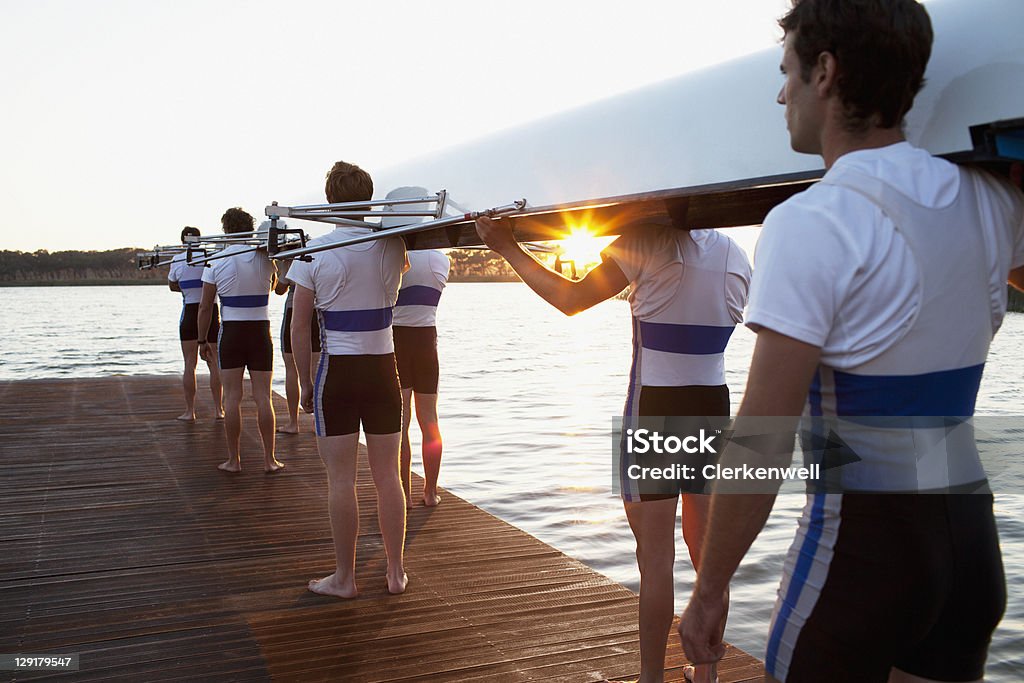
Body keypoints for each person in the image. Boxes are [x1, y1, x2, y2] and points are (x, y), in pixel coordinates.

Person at [677, 2, 1024, 682]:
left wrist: (712, 583)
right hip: (970, 549)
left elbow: (763, 435)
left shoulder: (813, 220)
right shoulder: (993, 202)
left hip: (865, 554)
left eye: (788, 73)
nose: (782, 93)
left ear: (826, 73)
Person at [475, 215, 750, 683]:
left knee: (656, 559)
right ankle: (706, 675)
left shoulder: (645, 237)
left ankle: (650, 677)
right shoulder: (737, 254)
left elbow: (571, 298)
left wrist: (507, 247)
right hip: (713, 406)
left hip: (655, 405)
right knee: (708, 555)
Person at [288, 161, 409, 597]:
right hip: (383, 370)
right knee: (388, 476)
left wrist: (304, 382)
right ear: (368, 197)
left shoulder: (313, 251)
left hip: (337, 373)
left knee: (341, 479)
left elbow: (300, 327)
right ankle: (395, 573)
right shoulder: (392, 246)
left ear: (328, 201)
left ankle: (345, 579)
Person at [197, 207, 283, 474]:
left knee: (232, 398)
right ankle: (270, 460)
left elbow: (204, 307)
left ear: (225, 230)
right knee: (263, 397)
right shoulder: (265, 258)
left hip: (232, 332)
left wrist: (202, 340)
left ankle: (234, 460)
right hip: (260, 331)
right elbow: (279, 288)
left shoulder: (216, 260)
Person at [385, 186, 451, 508]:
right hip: (428, 341)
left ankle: (406, 494)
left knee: (401, 424)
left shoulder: (393, 255)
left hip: (397, 340)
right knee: (430, 420)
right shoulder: (441, 259)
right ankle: (430, 492)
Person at [167, 226, 223, 422]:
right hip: (211, 312)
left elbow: (172, 285)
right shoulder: (210, 258)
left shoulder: (177, 260)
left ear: (183, 241)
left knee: (190, 364)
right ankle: (218, 410)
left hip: (190, 313)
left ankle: (190, 411)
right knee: (214, 363)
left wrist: (186, 287)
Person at [271, 221, 322, 435]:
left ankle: (293, 422)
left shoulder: (287, 258)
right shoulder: (311, 251)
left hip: (295, 310)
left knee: (292, 368)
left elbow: (280, 290)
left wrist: (278, 267)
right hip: (317, 312)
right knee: (317, 367)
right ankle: (319, 421)